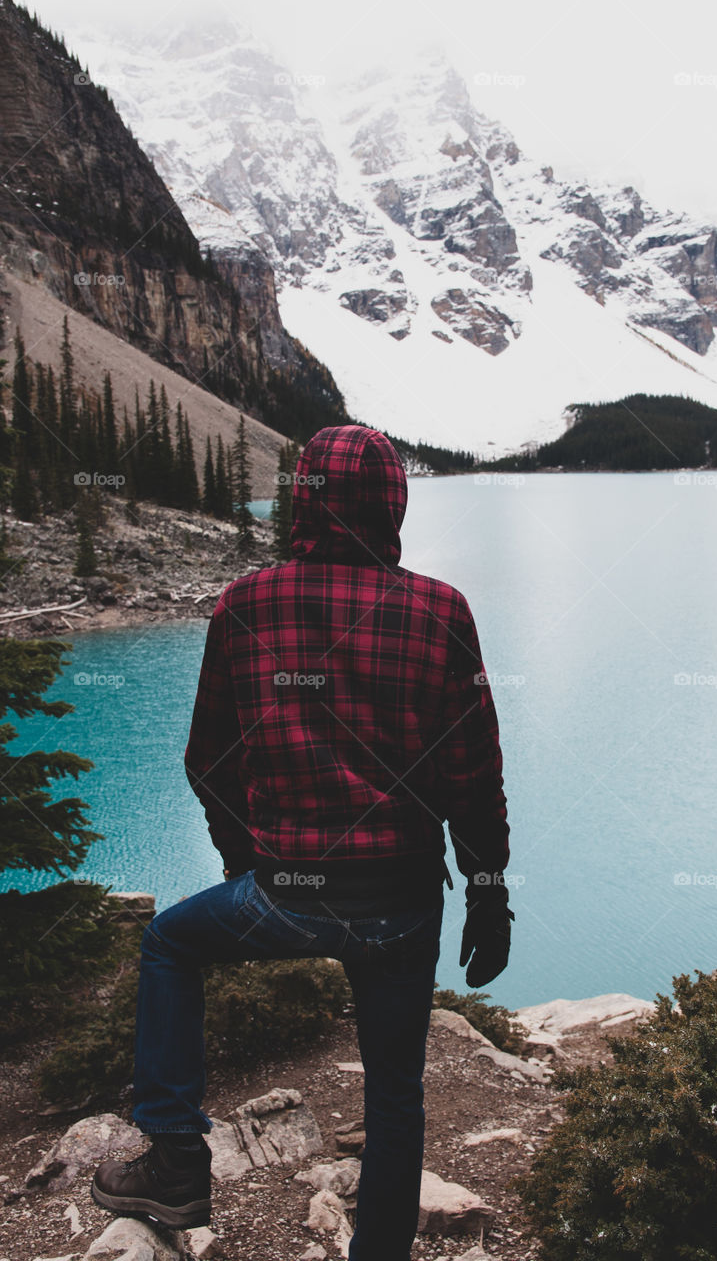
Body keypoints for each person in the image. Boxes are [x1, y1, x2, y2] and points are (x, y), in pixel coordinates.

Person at [92, 424, 514, 1261]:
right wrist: (488, 887)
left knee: (170, 944)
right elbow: (469, 769)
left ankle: (177, 1157)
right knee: (396, 1091)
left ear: (304, 499)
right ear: (392, 502)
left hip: (283, 893)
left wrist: (245, 860)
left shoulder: (246, 603)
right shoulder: (440, 609)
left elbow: (207, 759)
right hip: (400, 900)